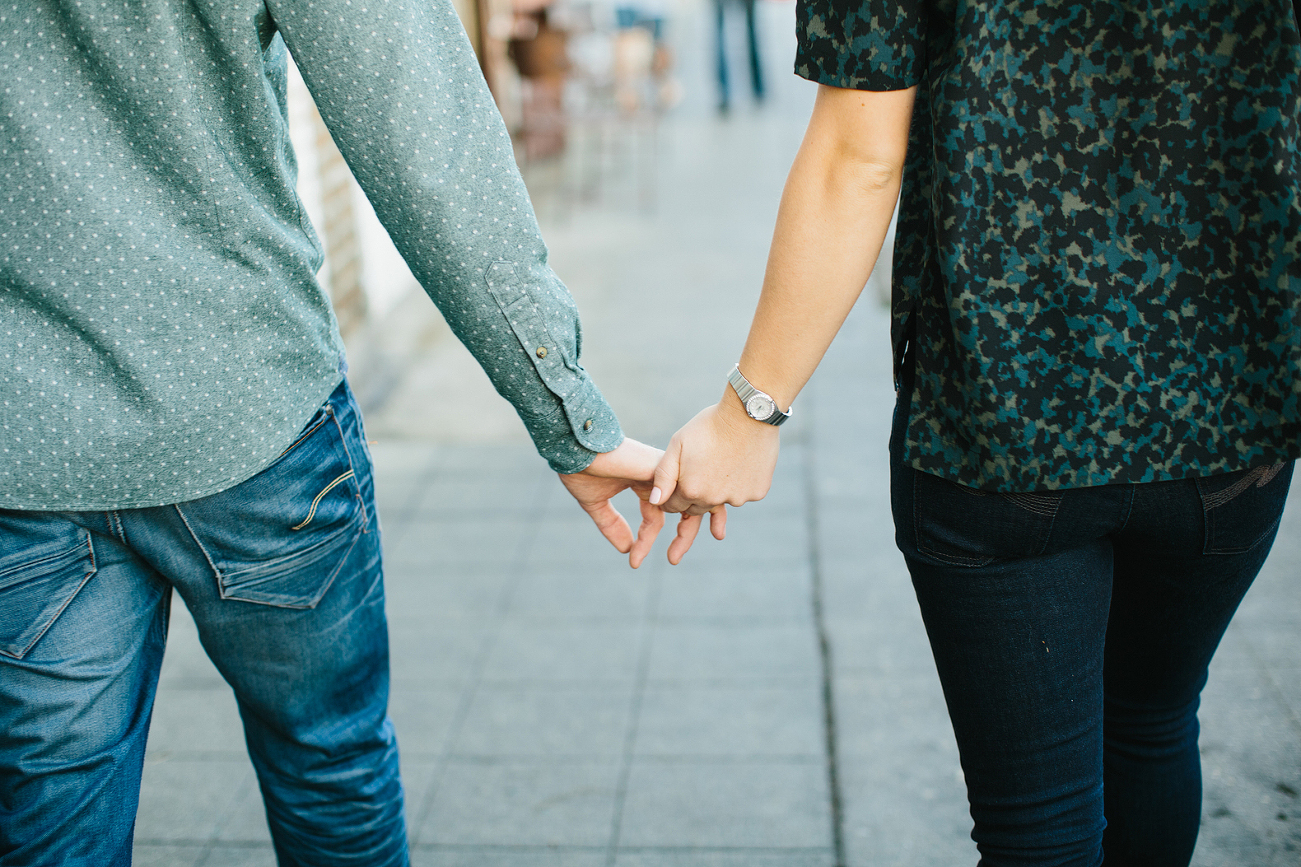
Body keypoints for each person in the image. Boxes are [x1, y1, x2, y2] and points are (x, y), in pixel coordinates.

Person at [0, 1, 678, 864]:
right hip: (249, 410)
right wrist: (565, 414)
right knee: (330, 766)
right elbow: (423, 135)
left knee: (49, 809)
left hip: (28, 438)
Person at [650, 1, 1301, 864]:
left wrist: (750, 410)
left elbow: (859, 157)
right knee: (1151, 723)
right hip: (1230, 405)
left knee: (1040, 816)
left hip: (1000, 415)